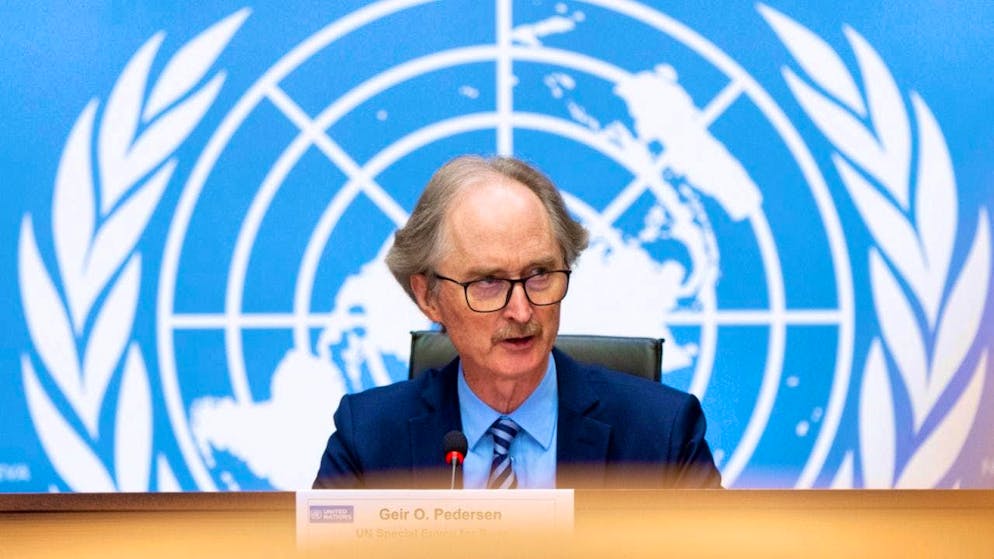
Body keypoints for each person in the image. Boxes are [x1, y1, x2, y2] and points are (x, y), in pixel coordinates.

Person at [313, 155, 721, 489]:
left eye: (540, 274)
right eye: (489, 282)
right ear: (428, 296)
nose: (522, 311)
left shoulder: (662, 435)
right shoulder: (368, 441)